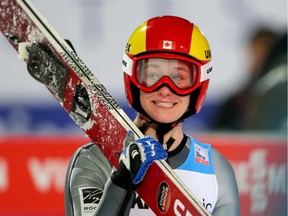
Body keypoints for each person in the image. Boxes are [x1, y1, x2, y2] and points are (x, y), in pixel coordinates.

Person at [64, 15, 240, 216]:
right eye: (152, 75)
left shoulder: (216, 170)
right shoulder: (94, 159)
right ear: (132, 80)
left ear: (198, 85)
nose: (165, 89)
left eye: (179, 77)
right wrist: (121, 182)